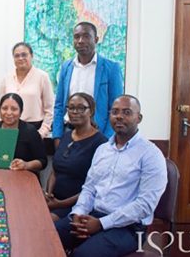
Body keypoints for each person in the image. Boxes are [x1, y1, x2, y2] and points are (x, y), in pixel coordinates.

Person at [55, 95, 167, 257]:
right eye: (115, 112)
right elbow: (89, 188)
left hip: (128, 228)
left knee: (83, 255)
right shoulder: (103, 150)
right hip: (93, 215)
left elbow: (145, 205)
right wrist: (78, 213)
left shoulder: (151, 154)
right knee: (50, 236)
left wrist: (102, 224)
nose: (119, 116)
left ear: (139, 118)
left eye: (127, 112)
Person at [53, 22, 123, 146]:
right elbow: (59, 105)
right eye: (76, 37)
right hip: (69, 131)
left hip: (97, 134)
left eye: (86, 36)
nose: (80, 41)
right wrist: (57, 136)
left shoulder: (111, 68)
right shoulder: (66, 67)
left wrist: (105, 140)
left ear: (96, 39)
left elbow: (115, 109)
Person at [45, 93, 107, 222]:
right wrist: (49, 194)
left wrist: (59, 204)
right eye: (71, 108)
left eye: (81, 108)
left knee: (43, 223)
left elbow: (94, 187)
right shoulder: (66, 136)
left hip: (78, 206)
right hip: (54, 201)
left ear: (91, 111)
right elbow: (55, 171)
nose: (75, 112)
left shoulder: (100, 143)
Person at [0, 93, 47, 172]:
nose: (8, 113)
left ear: (21, 111)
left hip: (21, 178)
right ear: (0, 110)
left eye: (14, 109)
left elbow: (42, 161)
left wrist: (26, 165)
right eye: (4, 108)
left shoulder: (30, 131)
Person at [0, 42, 54, 138]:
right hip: (9, 128)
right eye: (17, 56)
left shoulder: (42, 77)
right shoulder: (7, 78)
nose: (20, 58)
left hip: (34, 128)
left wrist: (42, 131)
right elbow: (0, 107)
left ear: (31, 56)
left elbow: (50, 109)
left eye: (24, 55)